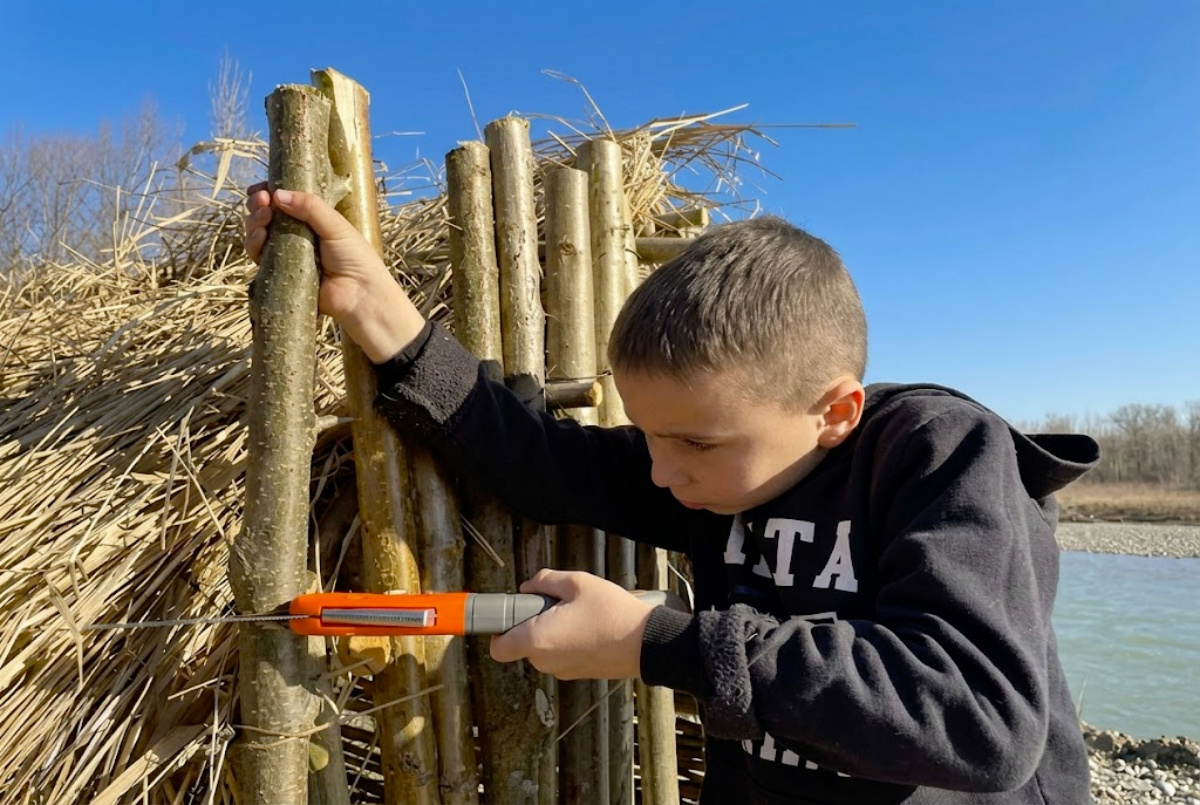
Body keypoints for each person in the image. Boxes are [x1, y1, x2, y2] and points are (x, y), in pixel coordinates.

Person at [245, 185, 1100, 804]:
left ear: (834, 412)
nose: (657, 473)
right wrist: (376, 311)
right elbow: (540, 460)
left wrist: (659, 646)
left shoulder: (938, 457)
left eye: (693, 441)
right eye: (647, 434)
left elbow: (982, 716)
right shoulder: (716, 475)